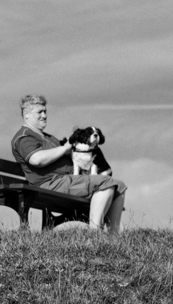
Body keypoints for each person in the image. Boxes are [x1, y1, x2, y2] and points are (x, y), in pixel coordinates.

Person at [10, 94, 126, 232]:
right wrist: (64, 148)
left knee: (119, 186)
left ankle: (114, 236)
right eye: (39, 112)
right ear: (26, 114)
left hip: (67, 181)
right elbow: (37, 159)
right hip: (51, 184)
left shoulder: (49, 137)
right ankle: (95, 234)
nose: (44, 115)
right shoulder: (25, 137)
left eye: (45, 111)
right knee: (106, 183)